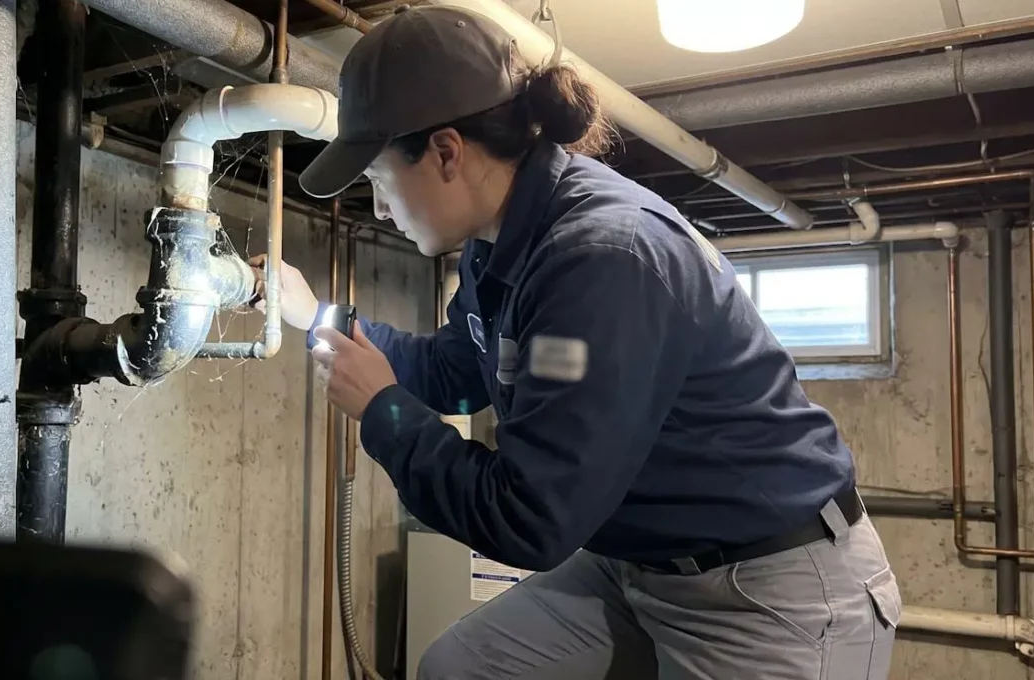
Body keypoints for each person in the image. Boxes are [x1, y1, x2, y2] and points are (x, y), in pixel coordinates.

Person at [255, 5, 901, 679]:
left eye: (381, 179)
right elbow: (454, 369)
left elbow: (529, 520)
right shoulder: (497, 243)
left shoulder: (601, 256)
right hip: (639, 565)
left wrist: (384, 411)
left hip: (766, 588)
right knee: (460, 667)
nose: (381, 207)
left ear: (446, 151)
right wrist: (315, 316)